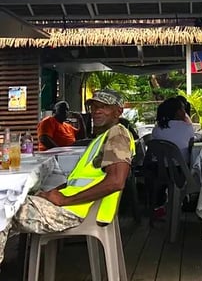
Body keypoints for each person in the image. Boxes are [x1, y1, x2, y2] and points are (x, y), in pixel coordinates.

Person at [0, 89, 135, 263]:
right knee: (8, 201)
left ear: (118, 111)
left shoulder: (118, 134)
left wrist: (63, 200)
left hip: (74, 211)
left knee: (3, 208)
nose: (96, 111)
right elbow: (78, 181)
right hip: (74, 205)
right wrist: (51, 193)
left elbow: (116, 182)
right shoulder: (104, 137)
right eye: (93, 107)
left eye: (104, 107)